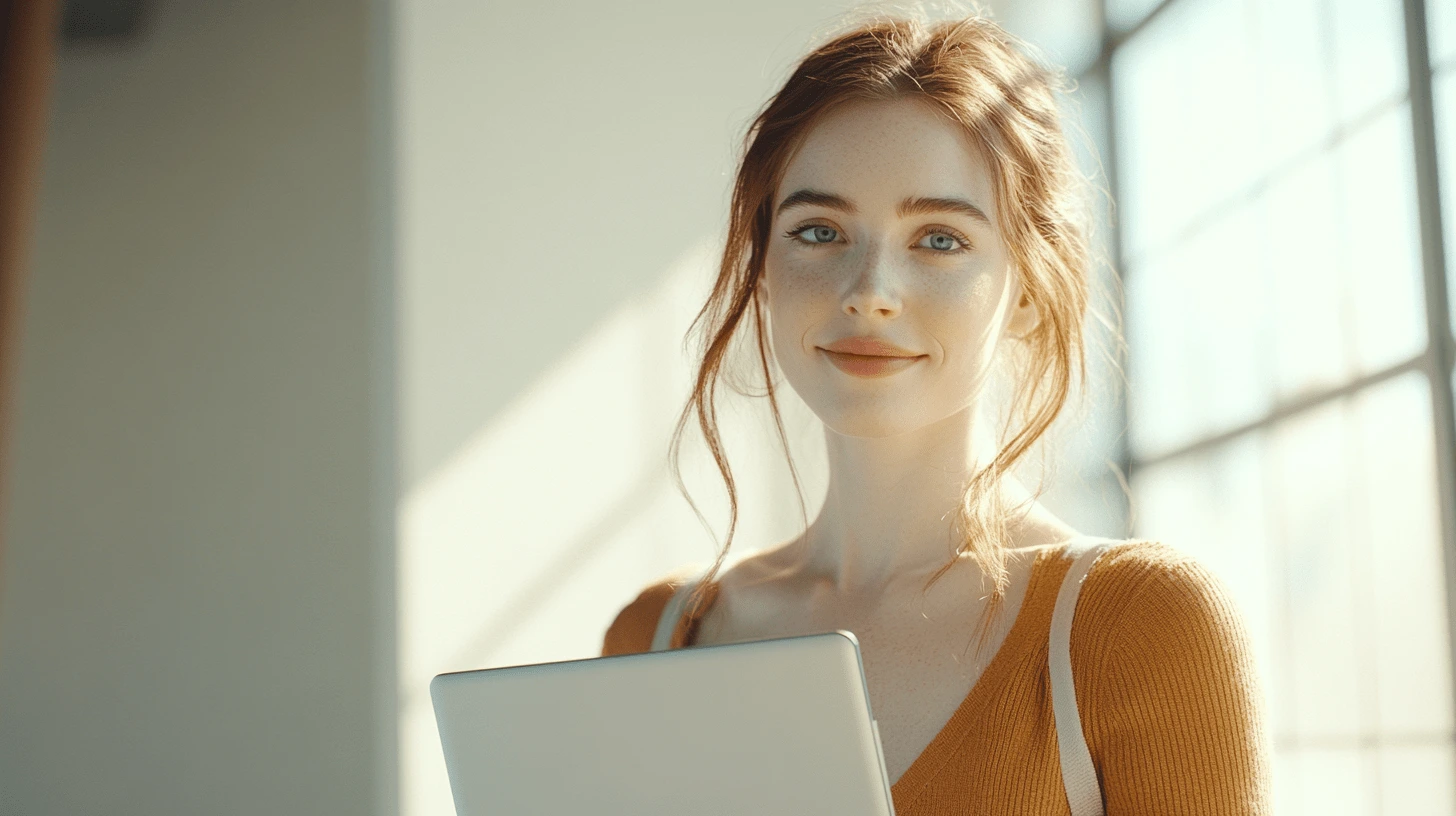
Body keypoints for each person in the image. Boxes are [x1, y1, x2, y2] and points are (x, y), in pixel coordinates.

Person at [601, 10, 1273, 814]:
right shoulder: (656, 635)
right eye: (818, 231)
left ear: (1027, 292)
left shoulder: (1140, 627)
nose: (869, 292)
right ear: (765, 272)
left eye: (940, 239)